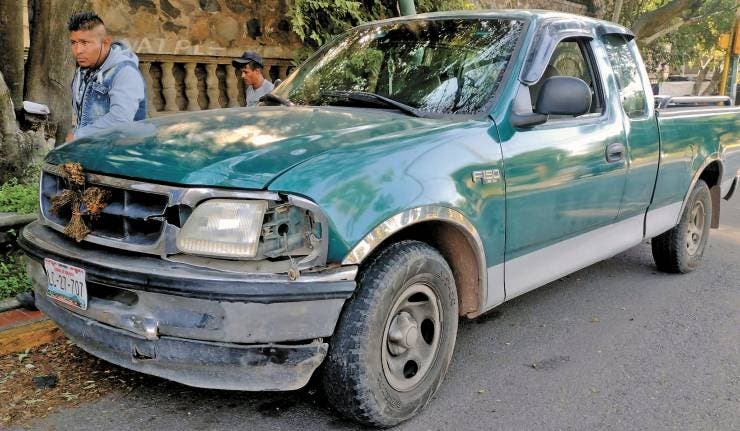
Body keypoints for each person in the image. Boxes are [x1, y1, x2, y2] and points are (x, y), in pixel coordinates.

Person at [67, 12, 146, 141]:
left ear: (105, 43)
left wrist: (78, 136)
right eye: (74, 42)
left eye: (84, 43)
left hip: (120, 151)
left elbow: (120, 120)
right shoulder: (84, 69)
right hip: (92, 148)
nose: (78, 50)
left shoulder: (125, 71)